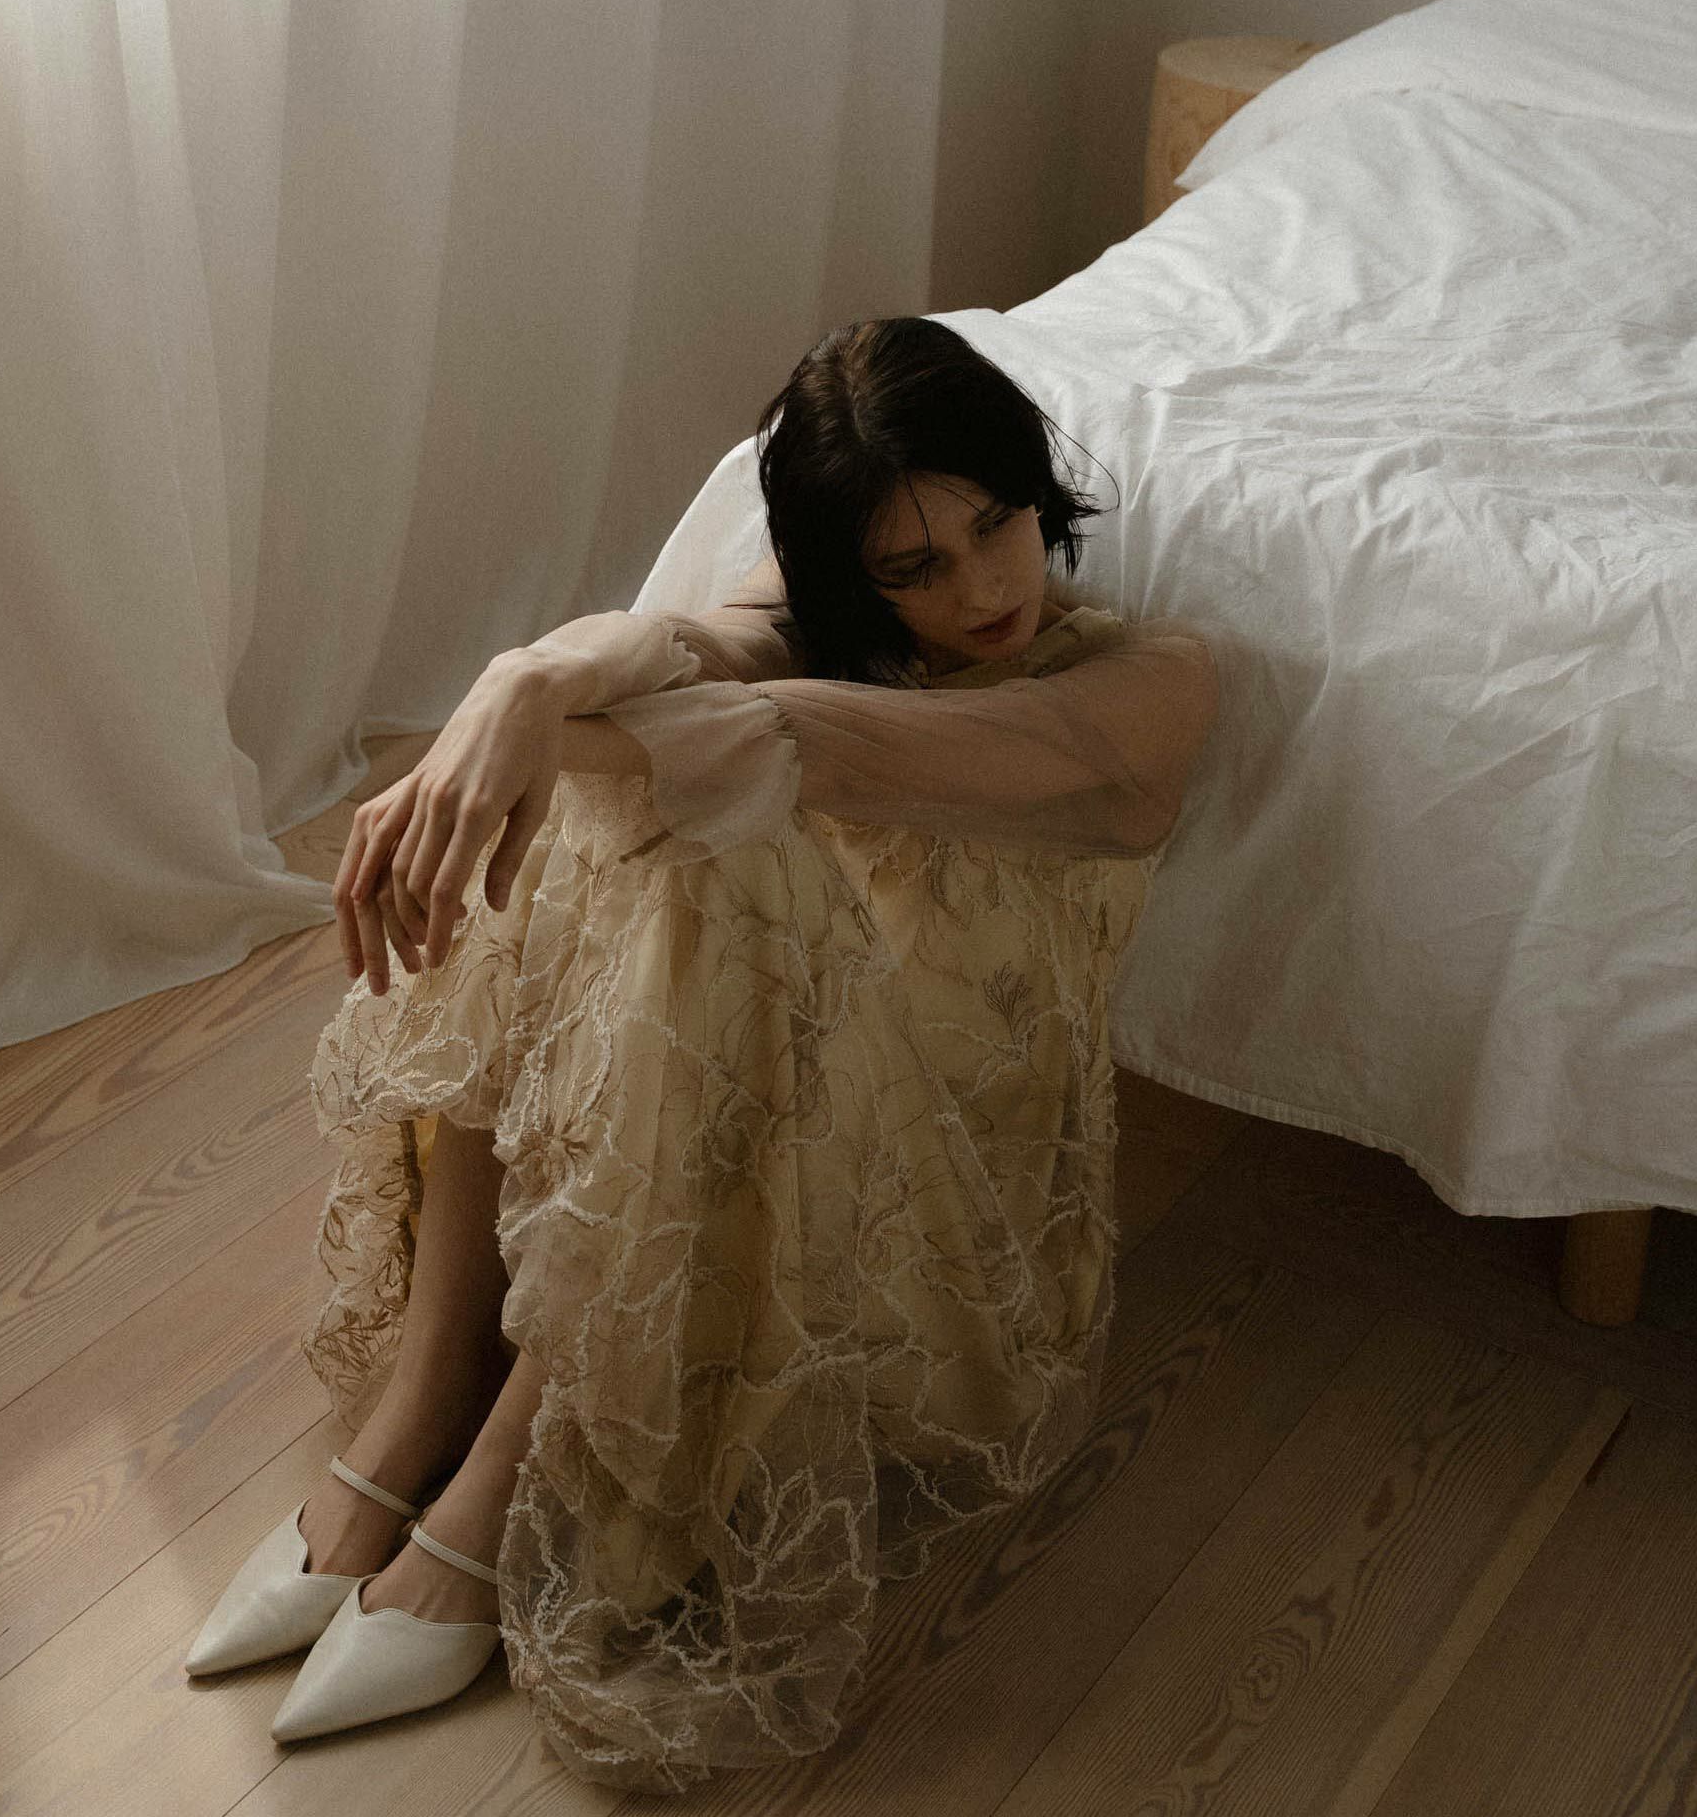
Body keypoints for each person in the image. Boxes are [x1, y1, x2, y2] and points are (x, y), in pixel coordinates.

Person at [183, 317, 1219, 1789]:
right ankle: (431, 1392)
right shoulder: (824, 620)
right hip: (737, 1096)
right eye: (913, 567)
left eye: (996, 524)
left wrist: (528, 727)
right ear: (851, 573)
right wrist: (521, 683)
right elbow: (694, 645)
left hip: (933, 1189)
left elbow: (793, 740)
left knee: (696, 841)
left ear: (1034, 490)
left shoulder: (1149, 682)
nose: (984, 587)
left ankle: (493, 1478)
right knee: (615, 821)